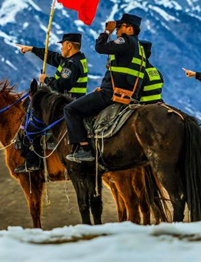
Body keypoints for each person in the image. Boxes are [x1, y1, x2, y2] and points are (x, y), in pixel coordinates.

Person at [64, 13, 146, 163]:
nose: (116, 30)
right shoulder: (139, 47)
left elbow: (100, 47)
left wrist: (106, 31)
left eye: (119, 27)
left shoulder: (126, 41)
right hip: (128, 94)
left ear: (129, 29)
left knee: (70, 109)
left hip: (112, 94)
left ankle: (84, 149)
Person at [13, 32, 89, 172]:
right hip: (67, 101)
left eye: (63, 45)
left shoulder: (72, 64)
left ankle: (33, 161)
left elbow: (61, 86)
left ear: (69, 45)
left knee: (32, 126)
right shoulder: (72, 59)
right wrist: (32, 49)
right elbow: (52, 57)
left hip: (67, 103)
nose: (61, 49)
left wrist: (45, 80)